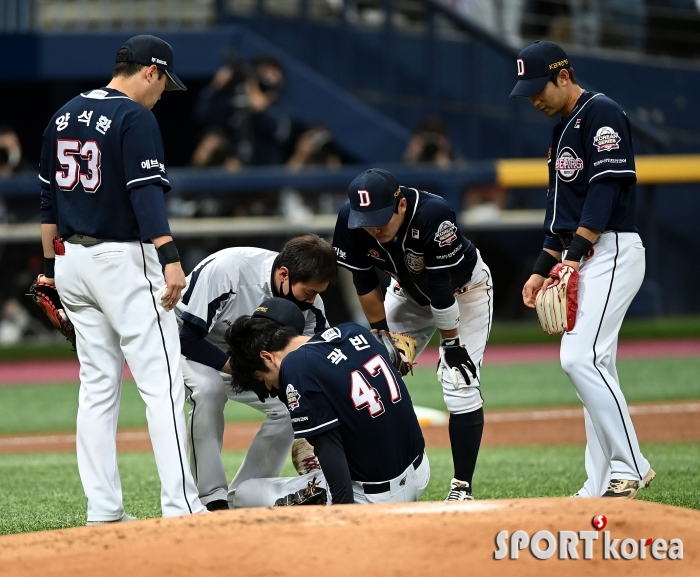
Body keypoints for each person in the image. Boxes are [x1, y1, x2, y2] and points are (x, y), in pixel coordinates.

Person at [38, 35, 207, 523]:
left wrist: (52, 269)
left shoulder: (63, 114)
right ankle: (182, 507)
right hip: (122, 260)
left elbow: (47, 200)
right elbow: (146, 195)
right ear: (150, 71)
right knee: (163, 384)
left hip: (71, 260)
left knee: (97, 388)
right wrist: (170, 257)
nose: (161, 95)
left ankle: (105, 510)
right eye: (163, 84)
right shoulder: (135, 117)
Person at [512, 40, 655, 498]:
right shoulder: (561, 130)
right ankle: (596, 486)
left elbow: (604, 190)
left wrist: (574, 255)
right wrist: (541, 268)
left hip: (611, 251)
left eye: (538, 87)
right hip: (588, 253)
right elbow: (561, 213)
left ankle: (631, 463)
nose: (533, 97)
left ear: (564, 76)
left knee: (579, 358)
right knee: (595, 371)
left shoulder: (602, 112)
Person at [332, 168, 493, 502]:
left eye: (380, 219)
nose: (374, 229)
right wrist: (380, 333)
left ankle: (462, 488)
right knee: (371, 369)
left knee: (458, 380)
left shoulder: (435, 214)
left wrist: (451, 344)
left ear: (401, 206)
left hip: (464, 292)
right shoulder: (350, 220)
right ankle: (371, 477)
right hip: (406, 294)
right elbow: (364, 281)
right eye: (367, 220)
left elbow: (440, 288)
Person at [175, 234, 336, 510]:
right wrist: (243, 371)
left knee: (290, 404)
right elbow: (188, 338)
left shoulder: (311, 307)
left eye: (317, 293)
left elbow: (314, 363)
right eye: (308, 291)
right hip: (188, 340)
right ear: (284, 274)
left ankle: (243, 496)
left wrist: (309, 431)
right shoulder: (229, 270)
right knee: (209, 390)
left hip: (251, 358)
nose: (312, 299)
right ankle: (211, 496)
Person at [225, 298, 429, 507]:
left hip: (372, 498)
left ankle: (322, 488)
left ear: (268, 357)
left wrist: (342, 512)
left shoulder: (295, 366)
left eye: (262, 378)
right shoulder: (353, 331)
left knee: (244, 494)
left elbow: (329, 447)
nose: (269, 387)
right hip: (421, 473)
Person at [191, 54, 293, 169]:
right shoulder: (234, 101)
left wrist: (261, 109)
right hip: (232, 171)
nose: (267, 79)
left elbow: (281, 134)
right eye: (262, 74)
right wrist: (214, 88)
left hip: (265, 173)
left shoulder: (279, 108)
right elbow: (203, 117)